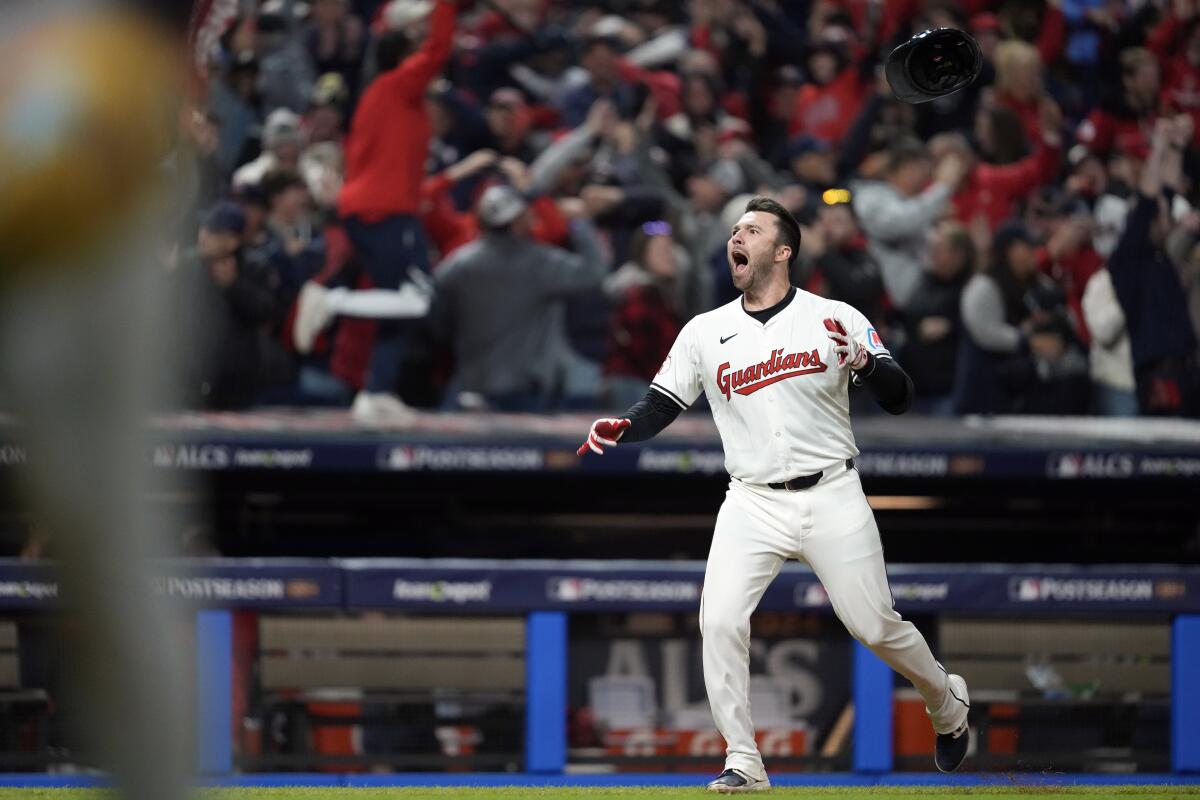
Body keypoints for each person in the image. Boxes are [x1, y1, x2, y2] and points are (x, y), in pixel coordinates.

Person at [576, 196, 971, 791]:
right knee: (720, 621)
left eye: (752, 230)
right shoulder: (706, 330)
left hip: (832, 490)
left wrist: (865, 363)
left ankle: (947, 704)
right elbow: (661, 403)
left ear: (782, 251)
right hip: (752, 500)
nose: (737, 236)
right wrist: (625, 427)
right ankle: (744, 762)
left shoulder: (833, 315)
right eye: (734, 229)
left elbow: (900, 394)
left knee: (874, 626)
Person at [330, 0, 457, 423]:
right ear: (405, 60)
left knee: (404, 302)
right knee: (418, 296)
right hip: (384, 213)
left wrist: (446, 182)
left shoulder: (387, 98)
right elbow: (438, 49)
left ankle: (377, 392)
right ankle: (331, 301)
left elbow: (401, 177)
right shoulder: (396, 87)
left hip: (382, 208)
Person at [430, 184, 608, 411]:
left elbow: (436, 318)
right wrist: (580, 222)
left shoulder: (457, 264)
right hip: (524, 388)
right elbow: (595, 272)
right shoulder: (539, 262)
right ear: (517, 223)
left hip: (470, 382)